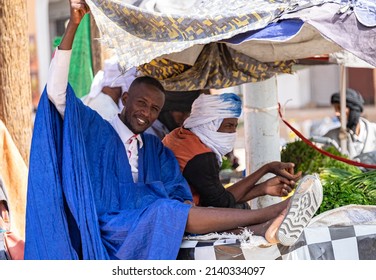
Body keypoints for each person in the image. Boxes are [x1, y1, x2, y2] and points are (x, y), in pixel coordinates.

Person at [24, 0, 322, 260]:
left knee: (168, 210)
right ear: (126, 100)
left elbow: (178, 194)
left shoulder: (154, 149)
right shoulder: (97, 130)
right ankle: (277, 211)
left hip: (149, 223)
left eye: (154, 109)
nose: (146, 114)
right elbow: (57, 94)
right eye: (141, 104)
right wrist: (74, 26)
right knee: (165, 212)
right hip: (110, 225)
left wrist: (168, 203)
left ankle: (265, 228)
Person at [163, 93, 302, 209]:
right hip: (181, 214)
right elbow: (222, 204)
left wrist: (264, 188)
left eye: (235, 126)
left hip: (176, 207)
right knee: (247, 212)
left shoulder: (178, 135)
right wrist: (266, 169)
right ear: (209, 123)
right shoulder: (201, 156)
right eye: (229, 126)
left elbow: (216, 198)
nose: (233, 133)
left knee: (241, 208)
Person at [324, 88, 376, 160]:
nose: (336, 113)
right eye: (335, 109)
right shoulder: (330, 137)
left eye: (340, 108)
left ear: (353, 110)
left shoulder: (373, 131)